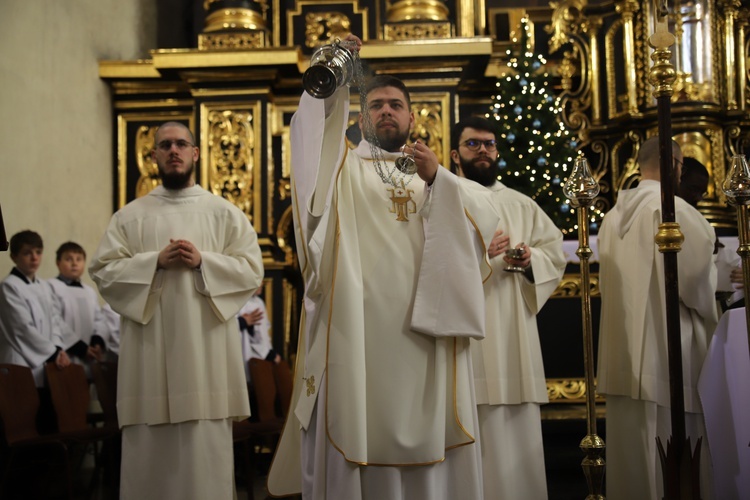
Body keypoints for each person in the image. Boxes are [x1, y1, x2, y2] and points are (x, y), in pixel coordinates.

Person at [268, 35, 499, 500]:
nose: (386, 112)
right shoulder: (343, 170)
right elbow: (311, 137)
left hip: (423, 338)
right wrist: (332, 72)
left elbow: (485, 223)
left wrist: (440, 179)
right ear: (360, 116)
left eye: (396, 105)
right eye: (375, 105)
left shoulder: (436, 176)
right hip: (358, 334)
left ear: (414, 117)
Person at [89, 121, 264, 500]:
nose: (174, 151)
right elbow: (102, 270)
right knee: (150, 468)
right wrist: (153, 262)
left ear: (195, 153)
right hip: (148, 369)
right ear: (153, 155)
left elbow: (252, 269)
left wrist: (204, 262)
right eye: (165, 145)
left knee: (204, 470)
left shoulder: (224, 214)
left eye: (182, 144)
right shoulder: (130, 217)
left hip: (206, 366)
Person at [451, 116, 566, 499]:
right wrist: (478, 254)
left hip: (513, 334)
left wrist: (530, 257)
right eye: (473, 144)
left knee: (516, 434)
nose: (483, 150)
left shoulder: (521, 203)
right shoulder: (444, 197)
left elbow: (555, 251)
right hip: (465, 335)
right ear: (455, 154)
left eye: (489, 144)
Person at [596, 136, 717, 500]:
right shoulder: (672, 209)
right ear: (676, 166)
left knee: (632, 464)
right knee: (674, 466)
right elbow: (696, 284)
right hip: (669, 358)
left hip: (624, 363)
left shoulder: (610, 217)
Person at [0, 230, 71, 386]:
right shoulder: (9, 286)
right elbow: (21, 328)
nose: (34, 258)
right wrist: (52, 353)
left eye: (38, 252)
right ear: (14, 257)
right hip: (19, 361)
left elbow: (55, 320)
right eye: (27, 253)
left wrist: (58, 348)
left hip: (46, 361)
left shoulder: (44, 285)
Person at [46, 241, 112, 366]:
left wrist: (97, 342)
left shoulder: (89, 291)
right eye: (68, 259)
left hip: (90, 355)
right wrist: (80, 348)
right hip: (65, 354)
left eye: (79, 259)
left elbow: (99, 320)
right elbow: (54, 320)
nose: (74, 263)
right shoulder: (51, 286)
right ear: (58, 263)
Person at [237, 288, 280, 381]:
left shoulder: (259, 302)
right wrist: (268, 353)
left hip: (262, 356)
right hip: (248, 356)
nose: (261, 284)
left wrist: (269, 351)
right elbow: (253, 337)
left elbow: (264, 332)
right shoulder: (239, 302)